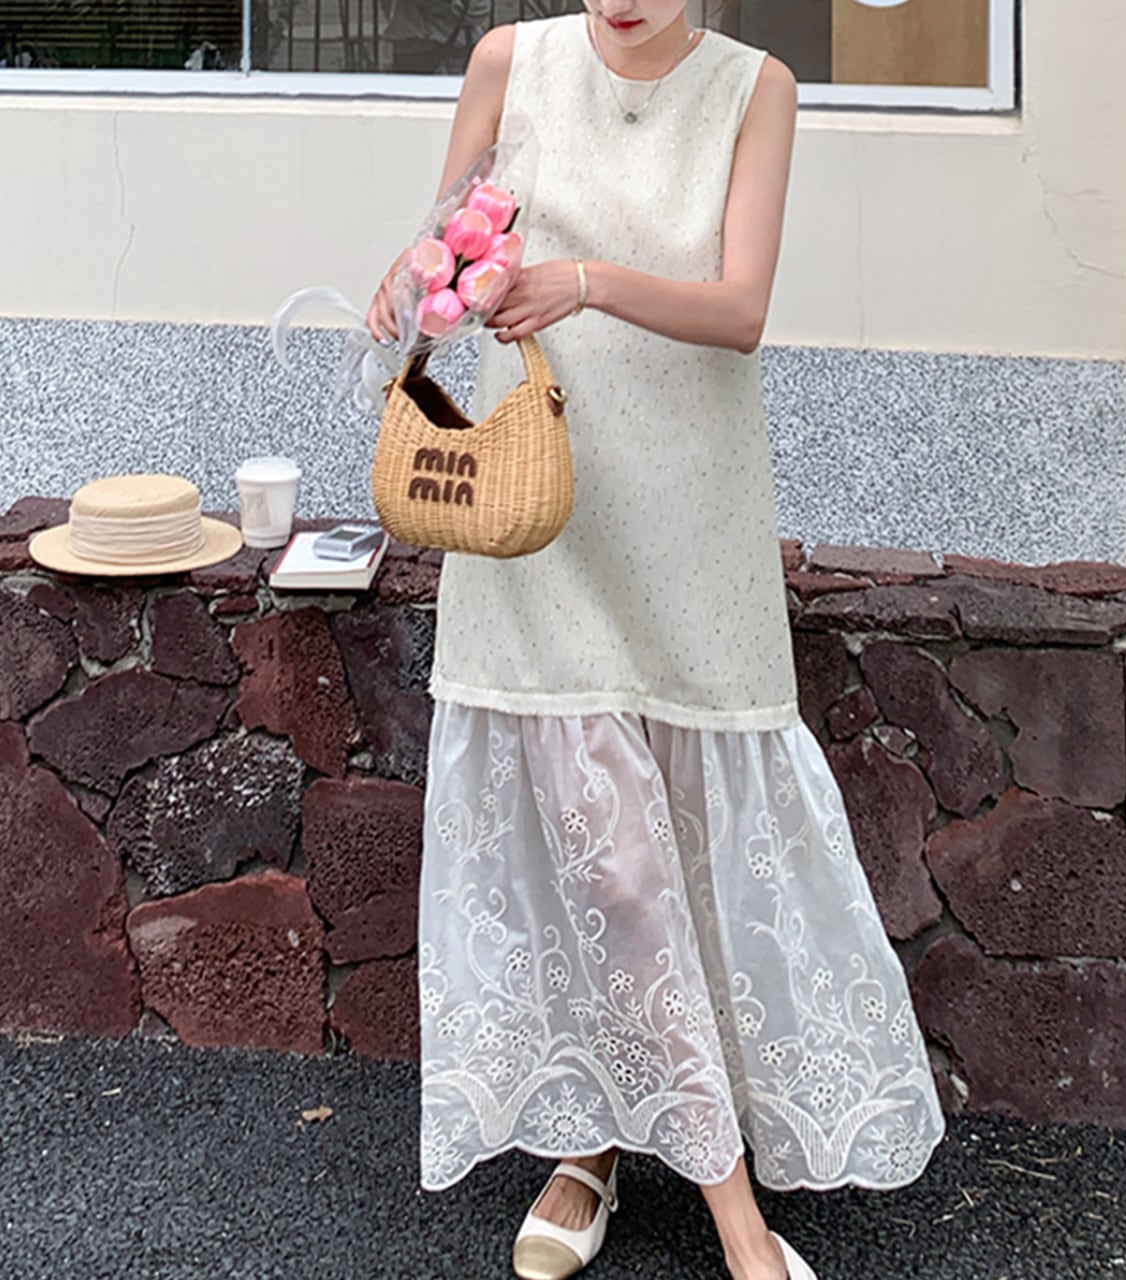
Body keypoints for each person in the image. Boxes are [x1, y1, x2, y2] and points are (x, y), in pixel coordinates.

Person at [366, 5, 945, 1278]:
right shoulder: (509, 62)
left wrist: (579, 280)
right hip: (544, 511)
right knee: (608, 859)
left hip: (689, 513)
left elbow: (740, 308)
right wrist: (414, 284)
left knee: (676, 836)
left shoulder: (755, 87)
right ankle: (697, 1198)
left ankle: (608, 1143)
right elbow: (444, 252)